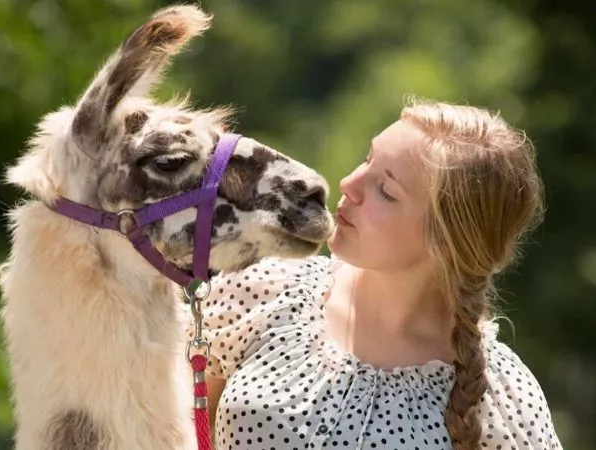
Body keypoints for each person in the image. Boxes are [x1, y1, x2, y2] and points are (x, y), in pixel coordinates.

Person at [188, 98, 562, 449]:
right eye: (367, 159)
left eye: (385, 190)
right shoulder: (262, 290)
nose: (349, 184)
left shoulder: (504, 399)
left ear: (445, 241)